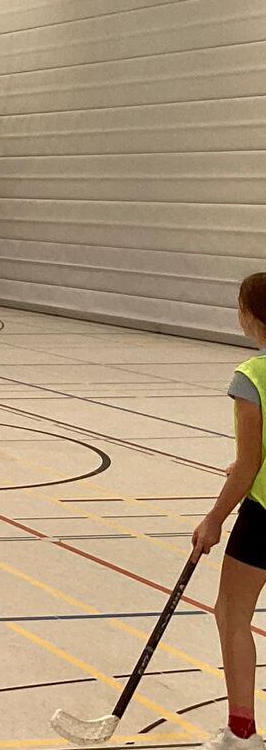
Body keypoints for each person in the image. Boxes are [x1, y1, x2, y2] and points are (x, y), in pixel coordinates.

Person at [191, 275, 266, 750]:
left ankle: (242, 733)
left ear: (249, 315)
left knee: (232, 614)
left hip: (265, 517)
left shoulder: (251, 377)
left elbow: (251, 464)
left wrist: (214, 519)